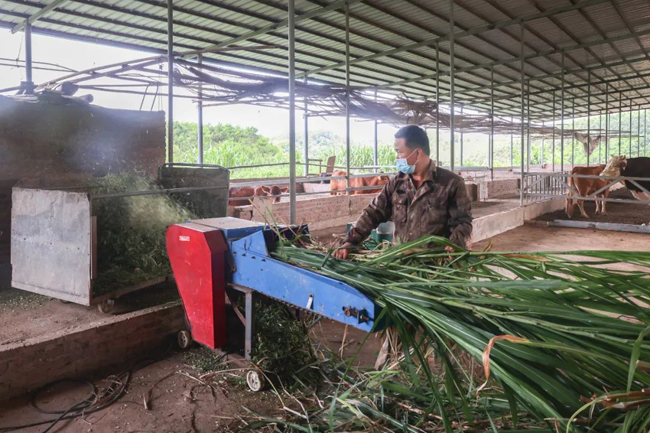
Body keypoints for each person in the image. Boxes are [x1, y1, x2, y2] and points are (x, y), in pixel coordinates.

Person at [333, 125, 472, 259]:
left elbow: (462, 222)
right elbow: (373, 212)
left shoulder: (451, 183)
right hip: (400, 261)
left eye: (399, 152)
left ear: (417, 153)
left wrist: (454, 245)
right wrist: (349, 242)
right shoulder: (396, 182)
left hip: (434, 264)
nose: (396, 157)